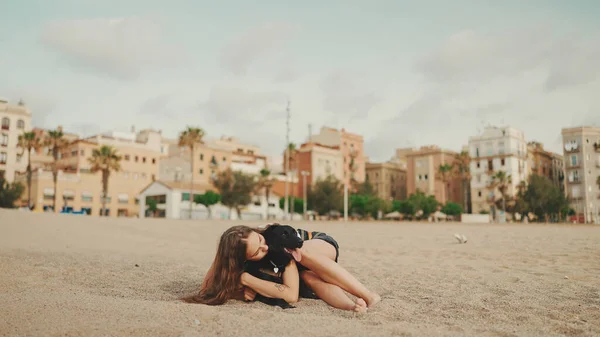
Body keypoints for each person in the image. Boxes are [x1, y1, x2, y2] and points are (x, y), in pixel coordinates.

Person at [183, 225, 380, 312]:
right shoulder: (239, 260)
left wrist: (246, 280)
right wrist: (240, 290)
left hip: (318, 245)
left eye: (260, 240)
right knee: (310, 279)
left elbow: (291, 295)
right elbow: (206, 288)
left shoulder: (274, 242)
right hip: (303, 271)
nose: (265, 247)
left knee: (302, 253)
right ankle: (351, 306)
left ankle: (367, 295)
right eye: (257, 252)